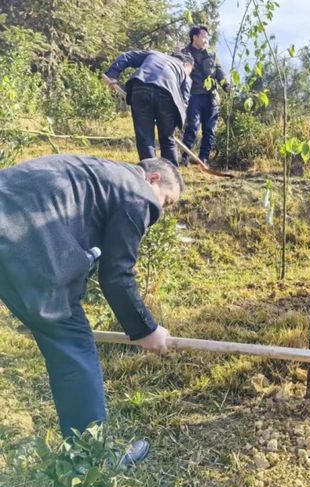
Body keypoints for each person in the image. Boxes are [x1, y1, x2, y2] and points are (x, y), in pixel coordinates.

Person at [0, 154, 182, 461]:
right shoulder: (138, 194)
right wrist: (145, 329)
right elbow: (116, 275)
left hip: (12, 219)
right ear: (152, 179)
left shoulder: (102, 174)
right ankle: (90, 458)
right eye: (167, 201)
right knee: (73, 346)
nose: (160, 212)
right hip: (26, 239)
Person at [104, 50, 193, 167]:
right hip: (167, 95)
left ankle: (150, 175)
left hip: (140, 88)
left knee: (145, 138)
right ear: (187, 65)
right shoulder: (183, 71)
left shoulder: (154, 54)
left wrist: (112, 74)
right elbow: (184, 100)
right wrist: (172, 124)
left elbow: (127, 56)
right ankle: (171, 178)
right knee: (167, 140)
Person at [181, 25, 230, 167]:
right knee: (193, 126)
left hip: (211, 97)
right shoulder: (184, 53)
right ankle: (185, 156)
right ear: (194, 37)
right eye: (203, 37)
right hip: (194, 95)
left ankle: (203, 159)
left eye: (207, 37)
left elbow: (220, 72)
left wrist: (226, 85)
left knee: (209, 130)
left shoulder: (212, 54)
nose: (206, 40)